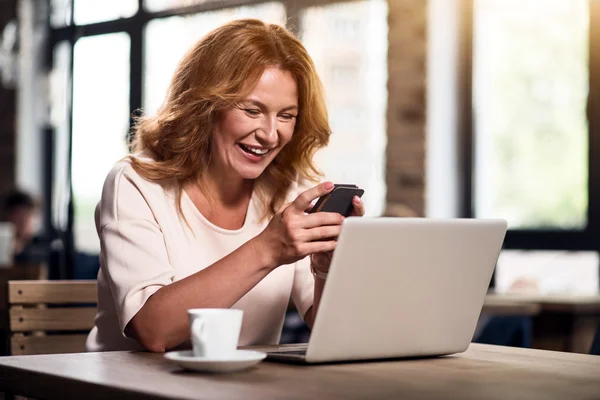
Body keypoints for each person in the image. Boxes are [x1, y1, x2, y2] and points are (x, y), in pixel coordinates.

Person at [86, 19, 365, 353]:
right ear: (204, 106)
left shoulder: (292, 191)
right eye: (252, 110)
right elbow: (153, 329)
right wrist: (268, 248)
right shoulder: (135, 184)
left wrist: (326, 270)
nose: (270, 133)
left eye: (287, 115)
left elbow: (332, 330)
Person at [0, 188, 45, 264]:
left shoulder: (41, 247)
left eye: (28, 216)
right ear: (7, 216)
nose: (23, 223)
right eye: (19, 217)